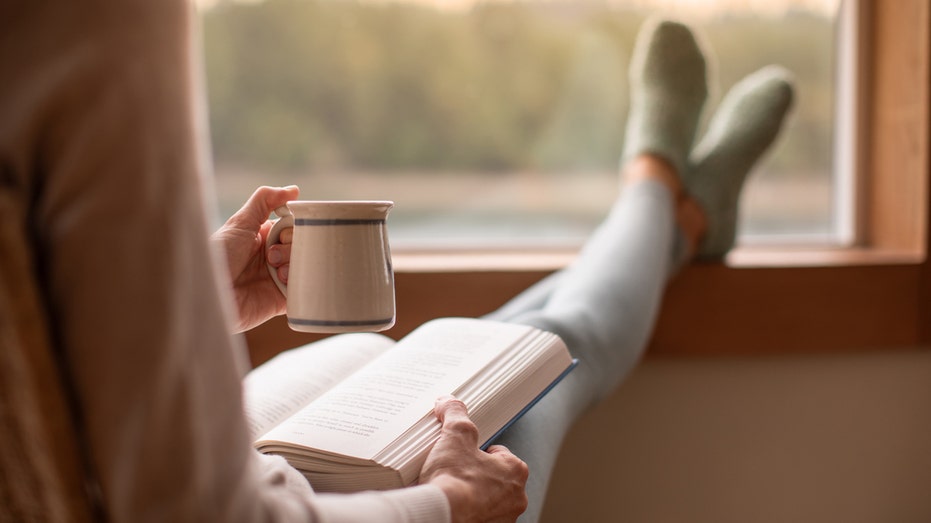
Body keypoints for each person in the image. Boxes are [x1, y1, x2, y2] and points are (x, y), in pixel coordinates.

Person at [0, 0, 792, 521]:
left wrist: (189, 298)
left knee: (492, 354)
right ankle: (660, 196)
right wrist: (446, 502)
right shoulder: (93, 23)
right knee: (552, 345)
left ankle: (670, 208)